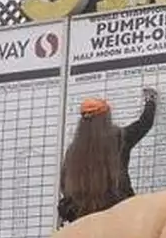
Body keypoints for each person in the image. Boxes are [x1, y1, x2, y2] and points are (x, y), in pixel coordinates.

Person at [58, 87, 159, 224]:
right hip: (118, 214)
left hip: (82, 219)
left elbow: (64, 186)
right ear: (106, 119)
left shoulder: (73, 151)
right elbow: (144, 123)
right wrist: (150, 100)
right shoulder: (119, 139)